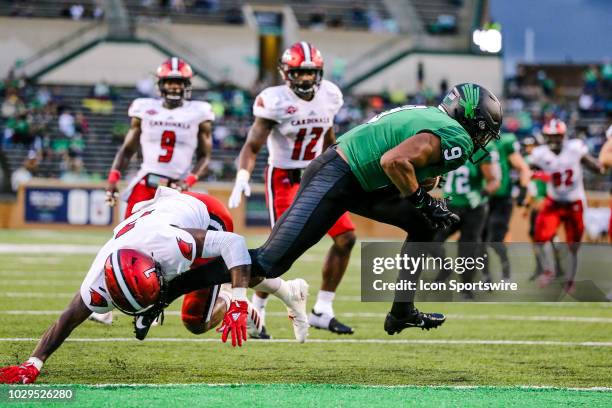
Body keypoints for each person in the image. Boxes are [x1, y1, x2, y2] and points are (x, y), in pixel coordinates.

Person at [148, 83, 503, 337]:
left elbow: (413, 168)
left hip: (355, 178)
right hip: (339, 177)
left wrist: (428, 199)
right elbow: (394, 161)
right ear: (468, 118)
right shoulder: (453, 134)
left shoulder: (434, 119)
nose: (483, 138)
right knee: (270, 261)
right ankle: (168, 288)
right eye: (484, 129)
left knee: (427, 224)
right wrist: (424, 201)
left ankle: (401, 311)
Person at [0, 188, 308, 384]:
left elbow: (234, 243)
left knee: (196, 318)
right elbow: (66, 319)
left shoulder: (172, 246)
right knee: (191, 286)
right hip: (158, 216)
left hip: (204, 212)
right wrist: (33, 363)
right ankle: (283, 290)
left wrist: (239, 300)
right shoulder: (98, 281)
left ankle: (275, 291)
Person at [228, 42, 357, 337]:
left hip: (319, 175)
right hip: (285, 177)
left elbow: (328, 136)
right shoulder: (274, 101)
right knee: (280, 249)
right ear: (286, 74)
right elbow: (252, 144)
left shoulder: (330, 96)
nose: (305, 79)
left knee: (346, 237)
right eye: (299, 73)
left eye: (310, 73)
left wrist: (339, 165)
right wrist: (242, 175)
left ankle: (323, 309)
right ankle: (256, 313)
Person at [105, 57, 214, 217]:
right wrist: (112, 180)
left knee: (174, 238)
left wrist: (187, 182)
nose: (175, 87)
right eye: (170, 82)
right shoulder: (144, 108)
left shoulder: (199, 111)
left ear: (187, 85)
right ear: (161, 84)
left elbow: (205, 157)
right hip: (146, 182)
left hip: (177, 186)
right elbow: (127, 150)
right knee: (131, 235)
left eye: (179, 82)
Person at [529, 119, 604, 292]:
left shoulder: (575, 148)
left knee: (573, 245)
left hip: (574, 202)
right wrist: (528, 175)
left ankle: (570, 280)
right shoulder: (540, 153)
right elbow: (527, 169)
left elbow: (593, 164)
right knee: (540, 236)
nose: (553, 140)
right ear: (545, 137)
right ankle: (548, 270)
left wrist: (599, 167)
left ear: (563, 136)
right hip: (553, 201)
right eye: (550, 136)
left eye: (557, 136)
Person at [432, 143, 500, 298]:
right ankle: (445, 269)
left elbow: (494, 181)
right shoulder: (448, 146)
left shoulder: (482, 152)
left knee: (467, 248)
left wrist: (482, 193)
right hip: (450, 206)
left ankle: (466, 287)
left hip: (473, 208)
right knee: (432, 240)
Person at [481, 130, 531, 282]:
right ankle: (486, 277)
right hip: (483, 199)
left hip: (502, 200)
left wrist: (522, 192)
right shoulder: (475, 142)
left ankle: (506, 273)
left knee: (495, 240)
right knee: (479, 241)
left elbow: (523, 168)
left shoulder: (504, 141)